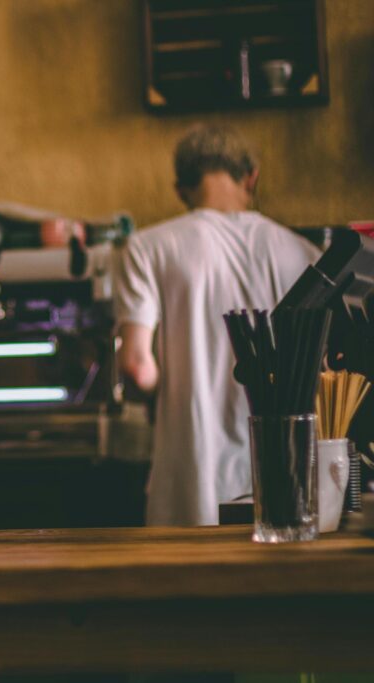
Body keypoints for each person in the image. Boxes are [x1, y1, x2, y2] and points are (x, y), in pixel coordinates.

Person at [115, 125, 320, 526]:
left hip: (190, 478)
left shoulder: (147, 247)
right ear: (251, 177)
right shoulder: (303, 253)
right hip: (282, 480)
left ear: (182, 188)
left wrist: (175, 384)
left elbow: (137, 368)